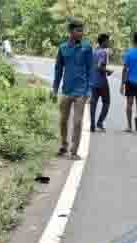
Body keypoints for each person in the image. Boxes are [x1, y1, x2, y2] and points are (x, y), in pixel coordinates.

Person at [52, 18, 93, 160]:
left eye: (82, 30)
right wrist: (54, 89)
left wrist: (89, 91)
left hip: (81, 92)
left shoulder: (86, 47)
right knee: (63, 120)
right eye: (78, 30)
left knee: (77, 122)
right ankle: (64, 145)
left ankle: (74, 151)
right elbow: (58, 70)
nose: (81, 33)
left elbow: (90, 70)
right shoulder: (63, 48)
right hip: (66, 91)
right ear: (71, 31)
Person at [90, 33, 113, 133]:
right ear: (103, 41)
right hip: (102, 82)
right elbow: (100, 66)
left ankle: (92, 123)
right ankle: (99, 122)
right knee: (106, 102)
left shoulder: (93, 51)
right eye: (107, 41)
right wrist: (108, 71)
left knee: (93, 102)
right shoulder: (103, 52)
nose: (109, 42)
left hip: (93, 81)